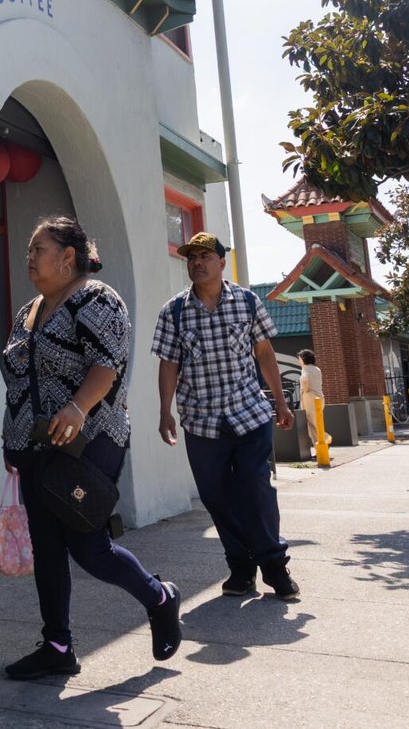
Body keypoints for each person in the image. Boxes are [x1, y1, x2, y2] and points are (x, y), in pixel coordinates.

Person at [0, 215, 181, 681]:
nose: (30, 257)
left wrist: (77, 408)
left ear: (68, 257)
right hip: (33, 446)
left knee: (90, 548)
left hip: (90, 439)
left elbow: (107, 366)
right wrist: (11, 439)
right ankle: (57, 645)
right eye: (29, 250)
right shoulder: (28, 311)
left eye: (39, 249)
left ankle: (160, 597)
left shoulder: (97, 299)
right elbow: (21, 378)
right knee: (46, 548)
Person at [154, 231, 300, 601]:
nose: (197, 263)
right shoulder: (173, 311)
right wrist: (164, 410)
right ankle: (240, 567)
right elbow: (169, 364)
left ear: (222, 262)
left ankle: (274, 566)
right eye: (191, 257)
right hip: (201, 422)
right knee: (216, 497)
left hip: (249, 415)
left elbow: (265, 354)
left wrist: (281, 402)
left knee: (256, 488)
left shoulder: (248, 302)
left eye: (205, 256)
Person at [296, 349, 331, 449]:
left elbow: (305, 379)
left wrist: (304, 389)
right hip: (319, 397)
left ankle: (324, 441)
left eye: (299, 359)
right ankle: (322, 444)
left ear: (303, 359)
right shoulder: (317, 369)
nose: (299, 361)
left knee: (312, 424)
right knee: (317, 422)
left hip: (309, 398)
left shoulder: (305, 369)